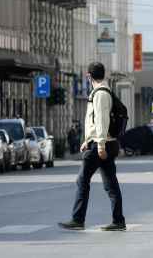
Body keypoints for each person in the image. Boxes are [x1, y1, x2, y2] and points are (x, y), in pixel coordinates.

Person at [58, 62, 126, 231]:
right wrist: (86, 140)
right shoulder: (104, 91)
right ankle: (118, 221)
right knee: (111, 184)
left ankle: (78, 219)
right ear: (104, 75)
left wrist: (100, 145)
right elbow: (95, 122)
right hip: (102, 142)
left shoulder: (100, 94)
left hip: (101, 144)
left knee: (82, 180)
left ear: (89, 76)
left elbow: (102, 121)